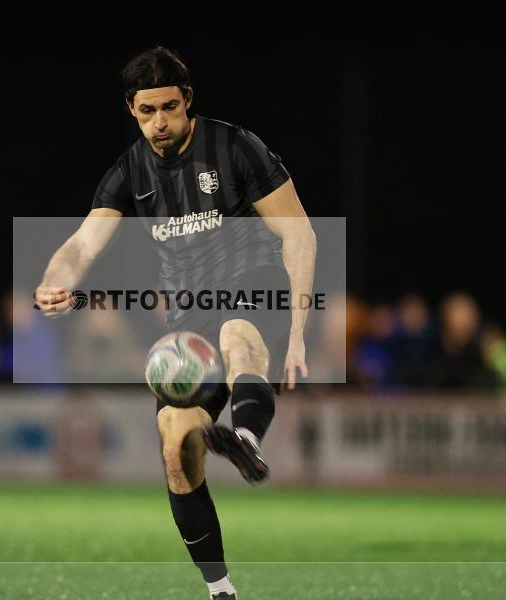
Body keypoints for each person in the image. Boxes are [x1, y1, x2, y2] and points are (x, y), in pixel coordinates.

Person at [34, 48, 316, 600]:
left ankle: (246, 437)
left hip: (254, 283)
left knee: (239, 338)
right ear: (131, 111)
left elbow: (300, 232)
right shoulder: (129, 172)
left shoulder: (235, 146)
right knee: (175, 448)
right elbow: (83, 242)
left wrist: (300, 329)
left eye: (169, 107)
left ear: (188, 100)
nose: (159, 122)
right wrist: (54, 279)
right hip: (188, 316)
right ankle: (220, 589)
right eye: (147, 112)